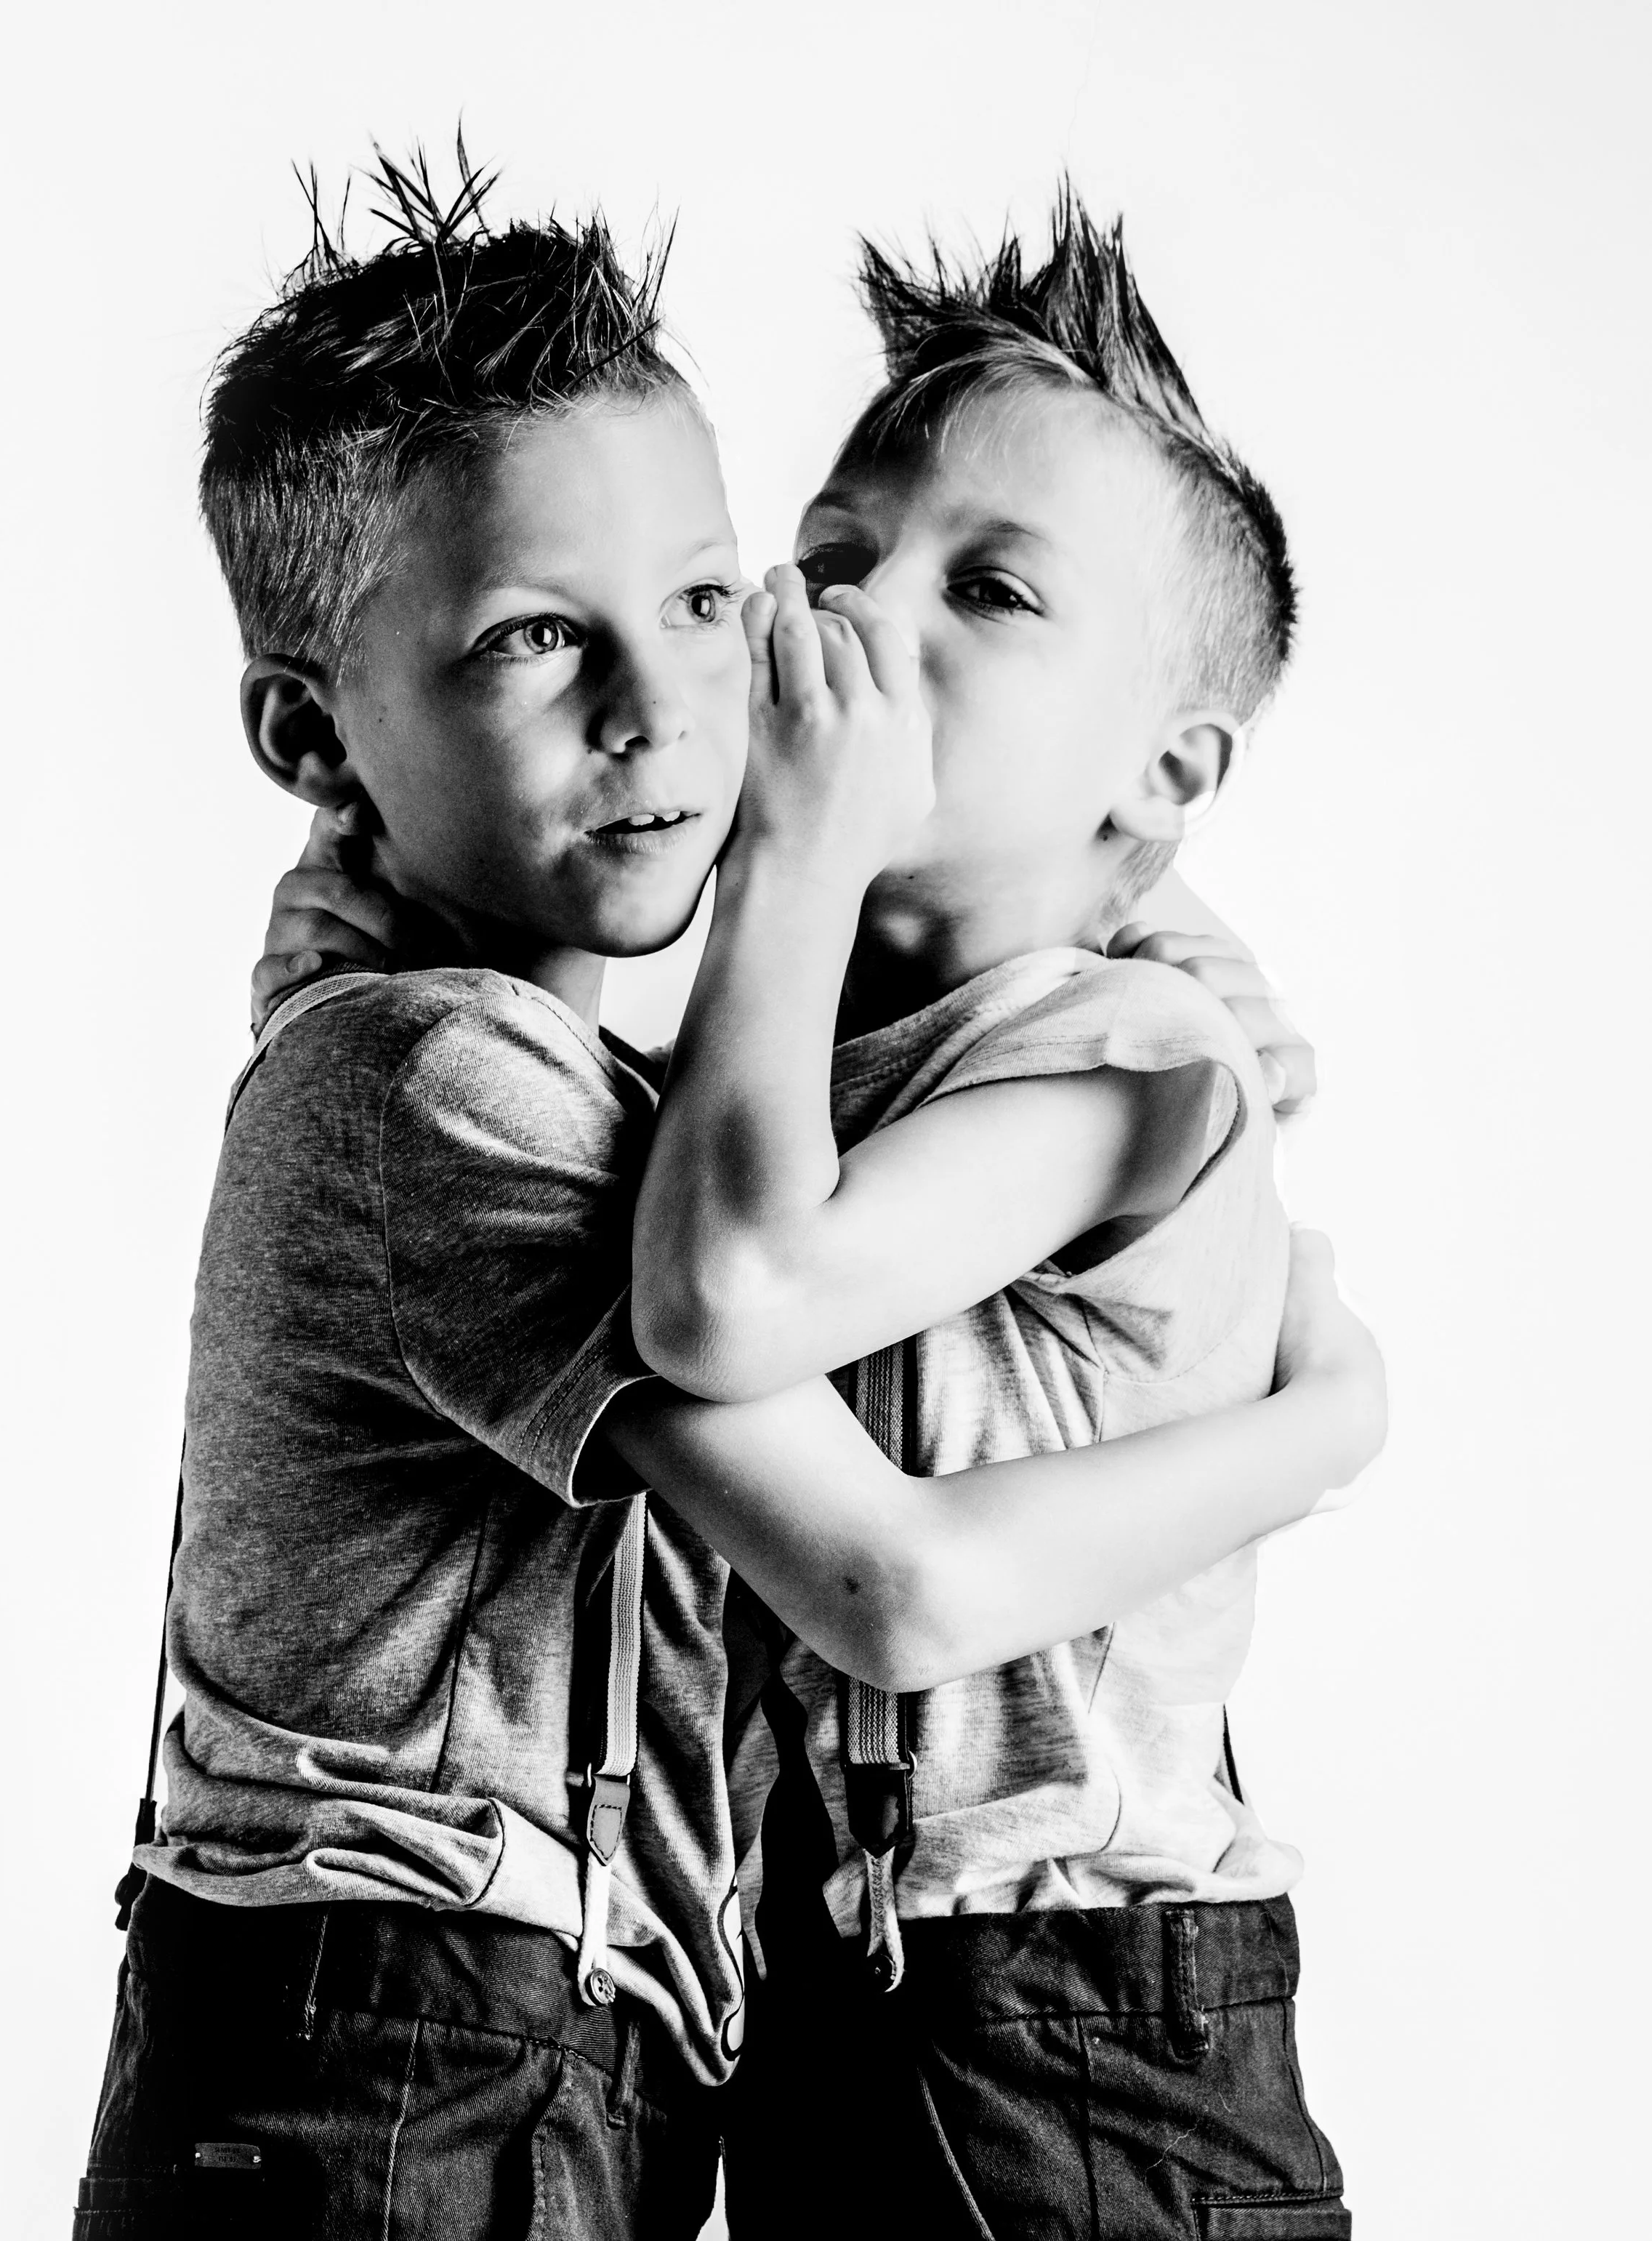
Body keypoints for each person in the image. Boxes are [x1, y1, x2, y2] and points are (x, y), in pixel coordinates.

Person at [78, 150, 1382, 2240]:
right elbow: (865, 1551)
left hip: (1018, 2022)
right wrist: (1327, 1427)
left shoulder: (1085, 1057)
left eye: (705, 600)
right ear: (317, 739)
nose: (828, 628)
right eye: (830, 562)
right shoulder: (458, 1076)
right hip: (438, 2033)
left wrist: (1130, 920)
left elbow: (764, 1199)